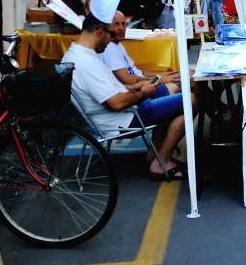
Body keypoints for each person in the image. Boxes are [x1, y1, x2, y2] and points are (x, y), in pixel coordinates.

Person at [62, 14, 187, 181]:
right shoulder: (86, 62)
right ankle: (161, 162)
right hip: (122, 119)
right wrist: (143, 93)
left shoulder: (78, 55)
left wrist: (131, 87)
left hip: (121, 112)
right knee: (190, 100)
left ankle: (156, 155)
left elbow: (108, 90)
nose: (111, 41)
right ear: (100, 32)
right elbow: (116, 103)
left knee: (176, 93)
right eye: (111, 35)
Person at [102, 11, 179, 89]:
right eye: (116, 24)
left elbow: (137, 72)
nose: (121, 28)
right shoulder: (109, 48)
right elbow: (128, 80)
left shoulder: (117, 44)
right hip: (141, 88)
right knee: (186, 81)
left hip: (146, 81)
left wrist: (159, 75)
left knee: (190, 73)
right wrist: (158, 79)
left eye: (123, 24)